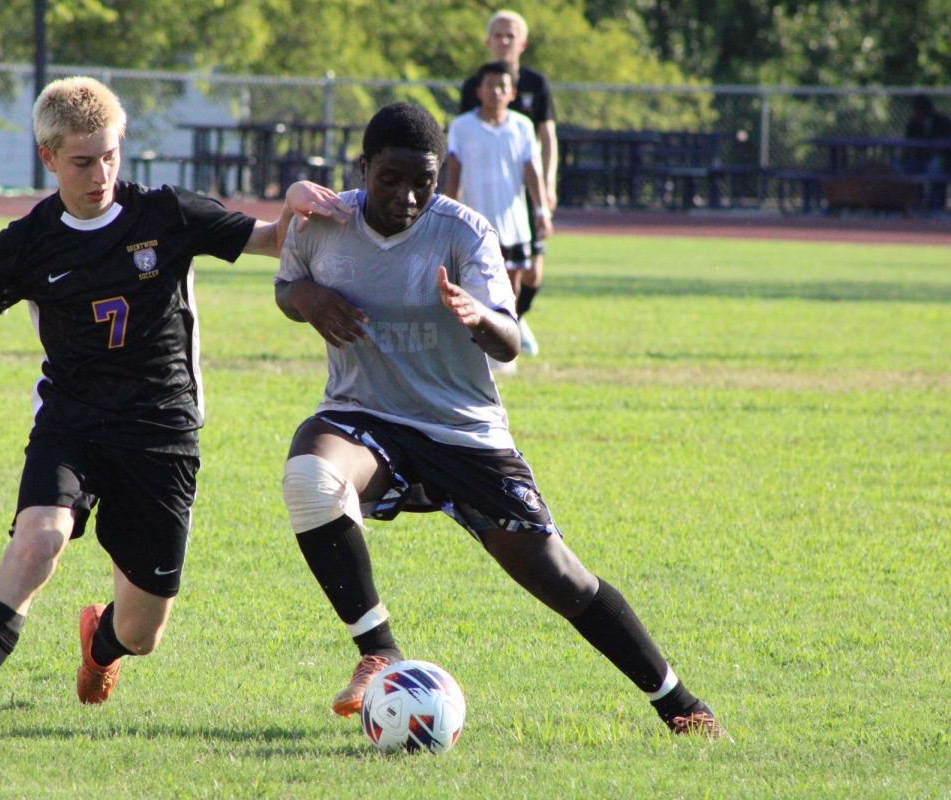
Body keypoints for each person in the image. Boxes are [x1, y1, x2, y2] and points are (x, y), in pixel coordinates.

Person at [0, 76, 351, 737]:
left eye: (110, 155)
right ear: (49, 158)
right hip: (72, 426)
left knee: (142, 632)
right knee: (39, 541)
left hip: (162, 432)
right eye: (83, 161)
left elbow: (272, 239)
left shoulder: (165, 215)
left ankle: (101, 643)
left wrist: (292, 203)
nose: (101, 174)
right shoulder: (25, 245)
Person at [273, 101, 723, 738]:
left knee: (563, 579)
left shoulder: (463, 231)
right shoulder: (322, 221)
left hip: (463, 432)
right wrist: (306, 297)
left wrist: (477, 316)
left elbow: (509, 340)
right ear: (365, 167)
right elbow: (286, 287)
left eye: (422, 183)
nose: (406, 196)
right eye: (390, 179)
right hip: (364, 415)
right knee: (312, 481)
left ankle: (679, 703)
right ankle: (380, 649)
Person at [459, 9, 558, 357]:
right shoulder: (475, 86)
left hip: (522, 193)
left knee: (531, 272)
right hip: (488, 190)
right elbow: (464, 139)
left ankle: (516, 318)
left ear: (522, 43)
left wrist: (547, 186)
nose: (504, 41)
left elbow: (547, 137)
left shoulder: (536, 85)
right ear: (488, 41)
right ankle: (502, 324)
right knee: (492, 264)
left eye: (510, 35)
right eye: (498, 35)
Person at [445, 60, 550, 373]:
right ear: (479, 90)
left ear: (512, 92)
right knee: (472, 283)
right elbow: (454, 171)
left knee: (511, 286)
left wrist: (541, 210)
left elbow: (532, 170)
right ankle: (473, 348)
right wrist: (448, 209)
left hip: (513, 221)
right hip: (476, 222)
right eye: (490, 85)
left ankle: (504, 348)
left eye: (503, 86)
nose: (496, 91)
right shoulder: (462, 126)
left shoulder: (522, 127)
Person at [901, 94, 951, 210]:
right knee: (908, 168)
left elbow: (946, 144)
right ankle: (915, 203)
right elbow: (907, 144)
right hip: (918, 158)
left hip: (940, 158)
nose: (918, 111)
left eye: (921, 108)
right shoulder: (913, 123)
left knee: (935, 167)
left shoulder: (942, 121)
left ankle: (936, 204)